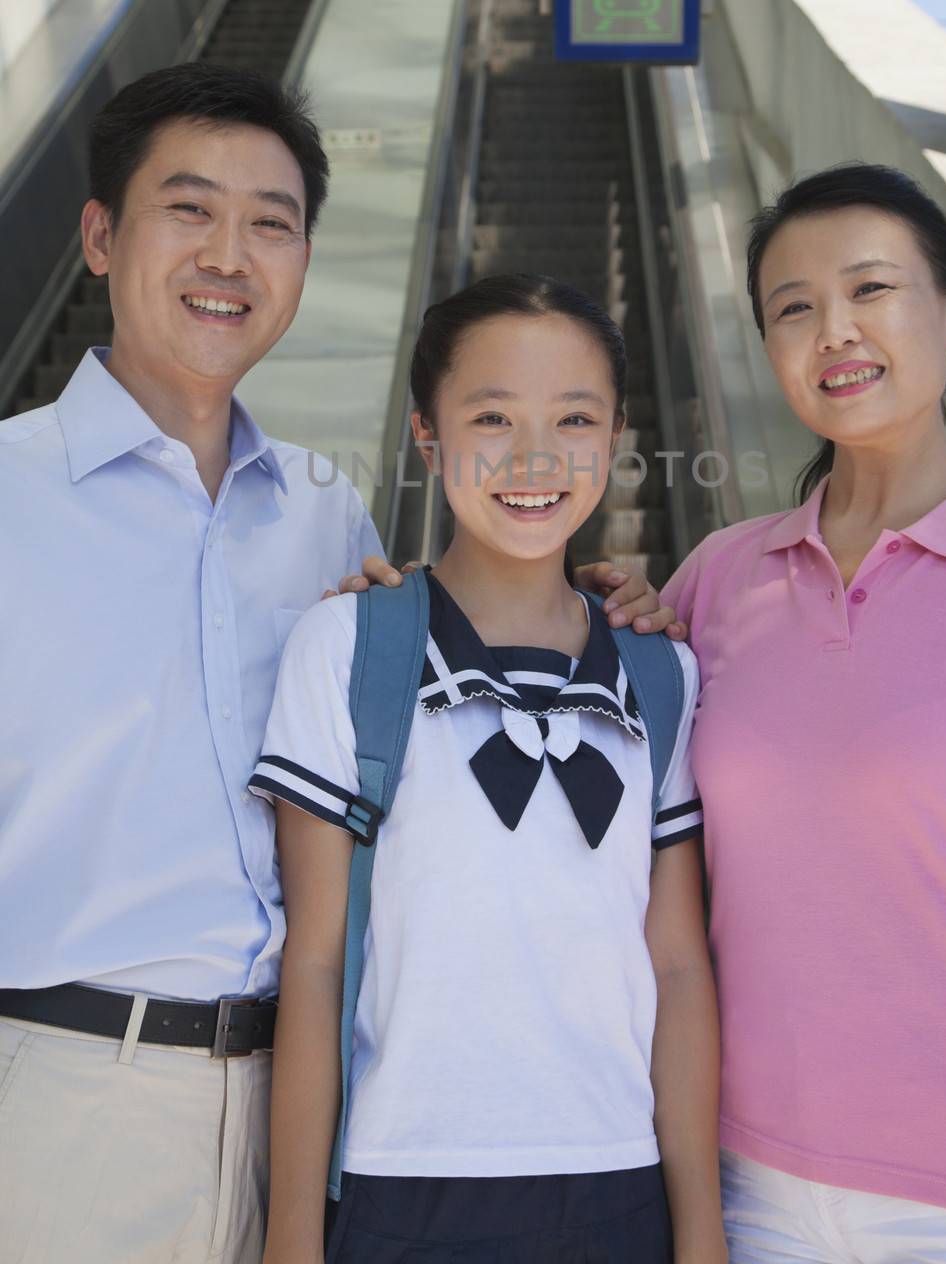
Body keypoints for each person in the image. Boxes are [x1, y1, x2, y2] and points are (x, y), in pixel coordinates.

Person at [0, 65, 672, 1264]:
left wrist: (595, 607)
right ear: (100, 236)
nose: (230, 254)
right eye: (188, 210)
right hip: (60, 1092)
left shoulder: (325, 517)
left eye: (271, 222)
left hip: (316, 1098)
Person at [251, 273, 727, 1264]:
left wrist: (699, 1232)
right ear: (427, 434)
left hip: (617, 1183)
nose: (535, 456)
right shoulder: (347, 646)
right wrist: (293, 1237)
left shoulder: (660, 668)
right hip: (399, 1186)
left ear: (618, 435)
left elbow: (678, 966)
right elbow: (317, 958)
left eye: (574, 418)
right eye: (491, 416)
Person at [662, 164, 946, 1263]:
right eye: (792, 308)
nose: (831, 330)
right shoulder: (711, 579)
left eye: (869, 289)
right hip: (744, 1181)